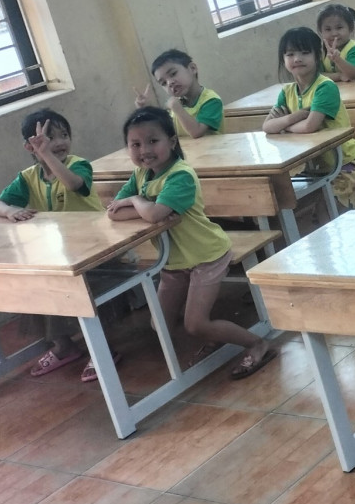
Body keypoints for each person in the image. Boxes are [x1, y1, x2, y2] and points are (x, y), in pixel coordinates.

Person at [108, 106, 278, 379]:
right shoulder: (142, 175)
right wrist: (144, 207)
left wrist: (137, 201)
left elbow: (153, 214)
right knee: (158, 324)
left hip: (206, 256)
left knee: (195, 325)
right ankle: (216, 336)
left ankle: (257, 344)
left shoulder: (180, 176)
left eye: (153, 141)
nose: (145, 150)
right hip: (174, 261)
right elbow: (115, 211)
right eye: (135, 144)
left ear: (172, 141)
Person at [0, 108, 116, 383]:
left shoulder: (79, 165)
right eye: (49, 137)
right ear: (30, 146)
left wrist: (46, 154)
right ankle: (64, 345)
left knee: (88, 292)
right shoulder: (28, 177)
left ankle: (104, 348)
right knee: (35, 285)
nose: (59, 142)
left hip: (95, 248)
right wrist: (10, 211)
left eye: (64, 135)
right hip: (58, 252)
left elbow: (73, 184)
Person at [264, 27, 355, 208]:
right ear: (283, 59)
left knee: (333, 211)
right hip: (315, 167)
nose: (297, 59)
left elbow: (309, 126)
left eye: (305, 53)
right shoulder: (287, 91)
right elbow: (267, 126)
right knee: (289, 202)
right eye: (290, 54)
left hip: (345, 163)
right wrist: (295, 117)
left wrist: (283, 125)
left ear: (317, 56)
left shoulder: (325, 87)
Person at [138, 50, 222, 138]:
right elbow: (161, 131)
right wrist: (146, 110)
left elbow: (196, 132)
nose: (169, 83)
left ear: (192, 68)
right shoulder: (177, 103)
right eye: (163, 83)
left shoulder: (211, 100)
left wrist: (177, 108)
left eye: (173, 74)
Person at [317, 4, 355, 84]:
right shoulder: (322, 52)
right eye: (328, 29)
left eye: (339, 28)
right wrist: (339, 76)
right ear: (321, 32)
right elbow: (316, 77)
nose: (334, 33)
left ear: (350, 28)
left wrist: (338, 60)